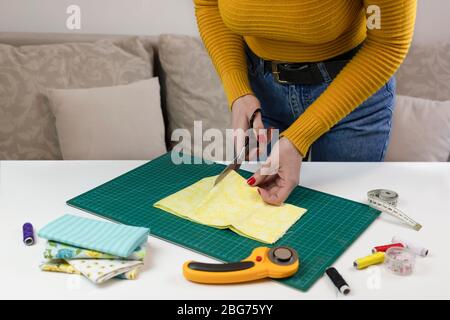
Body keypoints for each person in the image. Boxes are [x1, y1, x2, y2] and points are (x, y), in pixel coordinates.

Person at [194, 0, 417, 205]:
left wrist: (299, 138)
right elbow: (209, 6)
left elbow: (388, 43)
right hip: (264, 93)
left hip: (351, 95)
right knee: (266, 210)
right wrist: (238, 91)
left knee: (338, 218)